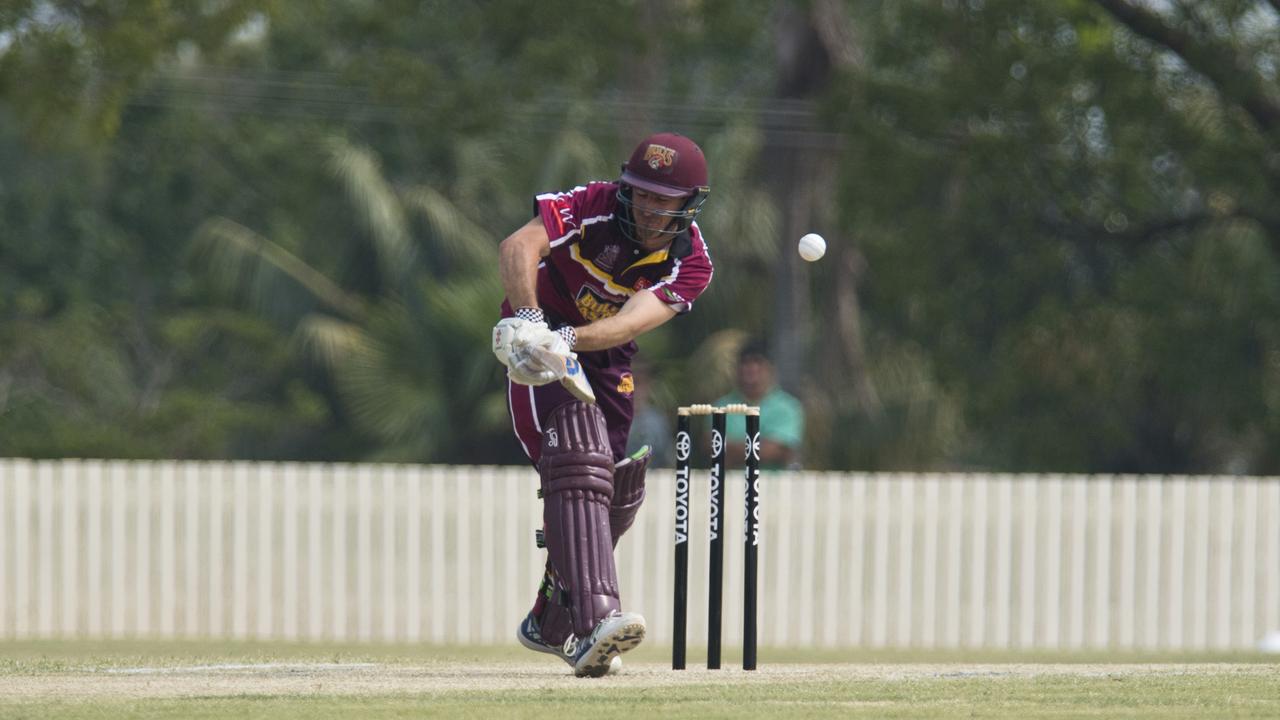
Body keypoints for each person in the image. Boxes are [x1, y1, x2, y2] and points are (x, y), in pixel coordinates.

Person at [490, 132, 713, 677]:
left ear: (688, 204)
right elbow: (518, 247)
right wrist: (534, 326)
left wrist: (568, 342)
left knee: (613, 482)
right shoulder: (593, 204)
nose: (648, 207)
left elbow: (632, 321)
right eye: (640, 193)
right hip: (533, 336)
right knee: (578, 458)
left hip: (603, 354)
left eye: (664, 199)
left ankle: (551, 619)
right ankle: (596, 621)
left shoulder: (692, 262)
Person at [716, 339, 805, 471]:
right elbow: (712, 447)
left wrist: (731, 449)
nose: (751, 368)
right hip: (727, 485)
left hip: (775, 487)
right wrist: (760, 448)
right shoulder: (720, 406)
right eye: (745, 362)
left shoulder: (788, 407)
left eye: (757, 361)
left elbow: (778, 451)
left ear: (770, 367)